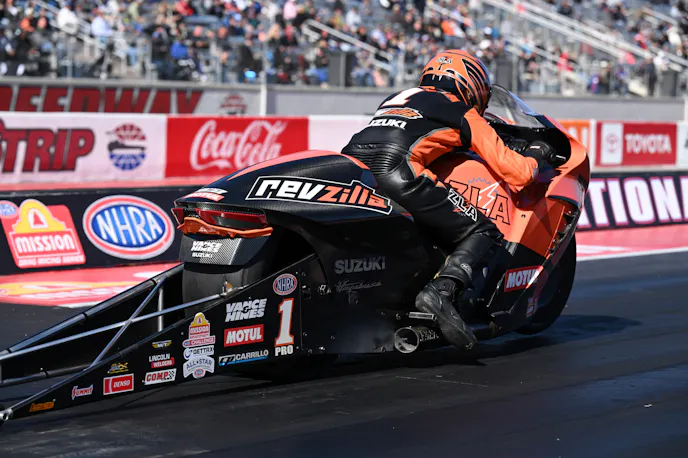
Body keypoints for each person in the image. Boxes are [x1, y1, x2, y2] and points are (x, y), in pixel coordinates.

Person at [341, 50, 563, 349]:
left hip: (355, 169)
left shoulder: (398, 98)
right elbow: (517, 173)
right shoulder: (461, 110)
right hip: (398, 170)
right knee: (483, 230)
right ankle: (441, 291)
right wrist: (537, 156)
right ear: (471, 85)